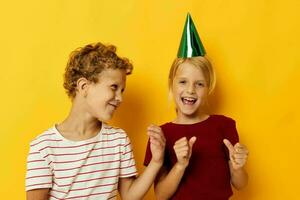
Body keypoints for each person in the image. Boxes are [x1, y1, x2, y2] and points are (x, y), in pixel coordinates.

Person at [26, 42, 165, 200]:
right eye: (114, 87)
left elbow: (129, 196)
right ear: (84, 86)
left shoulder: (118, 140)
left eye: (122, 90)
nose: (120, 98)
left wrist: (156, 161)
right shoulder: (43, 147)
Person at [144, 13, 249, 200]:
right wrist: (180, 165)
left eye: (199, 84)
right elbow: (160, 194)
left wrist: (237, 167)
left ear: (208, 88)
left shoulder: (224, 125)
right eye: (183, 82)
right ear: (172, 85)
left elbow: (240, 184)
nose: (190, 90)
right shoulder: (162, 134)